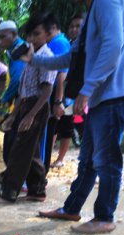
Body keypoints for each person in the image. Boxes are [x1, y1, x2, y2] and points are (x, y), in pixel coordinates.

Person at [26, 0, 124, 234]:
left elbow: (113, 46)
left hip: (115, 92)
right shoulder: (93, 12)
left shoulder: (107, 2)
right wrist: (34, 59)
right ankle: (72, 208)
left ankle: (104, 217)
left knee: (106, 159)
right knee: (88, 159)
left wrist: (87, 90)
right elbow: (72, 58)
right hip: (103, 96)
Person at [0, 14, 57, 203]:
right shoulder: (31, 57)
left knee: (20, 150)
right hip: (26, 104)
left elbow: (47, 89)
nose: (32, 39)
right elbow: (23, 90)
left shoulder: (47, 58)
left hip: (37, 106)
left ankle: (9, 193)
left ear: (48, 34)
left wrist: (31, 115)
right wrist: (14, 114)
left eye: (37, 34)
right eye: (30, 35)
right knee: (30, 150)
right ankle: (37, 190)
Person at [52, 13, 86, 169]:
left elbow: (63, 75)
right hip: (66, 94)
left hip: (77, 98)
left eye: (78, 26)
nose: (74, 29)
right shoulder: (70, 47)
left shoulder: (86, 49)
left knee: (66, 127)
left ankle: (60, 159)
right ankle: (49, 154)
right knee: (55, 125)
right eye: (72, 26)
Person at [41, 14, 72, 172]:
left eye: (41, 33)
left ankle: (41, 173)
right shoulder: (56, 42)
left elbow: (62, 74)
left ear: (52, 28)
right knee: (49, 132)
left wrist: (58, 100)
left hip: (54, 94)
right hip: (52, 94)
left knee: (51, 131)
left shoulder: (59, 43)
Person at [0, 20, 27, 162]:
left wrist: (4, 99)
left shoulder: (19, 50)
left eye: (3, 37)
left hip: (25, 101)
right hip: (19, 100)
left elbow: (17, 80)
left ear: (14, 34)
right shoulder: (12, 52)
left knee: (14, 139)